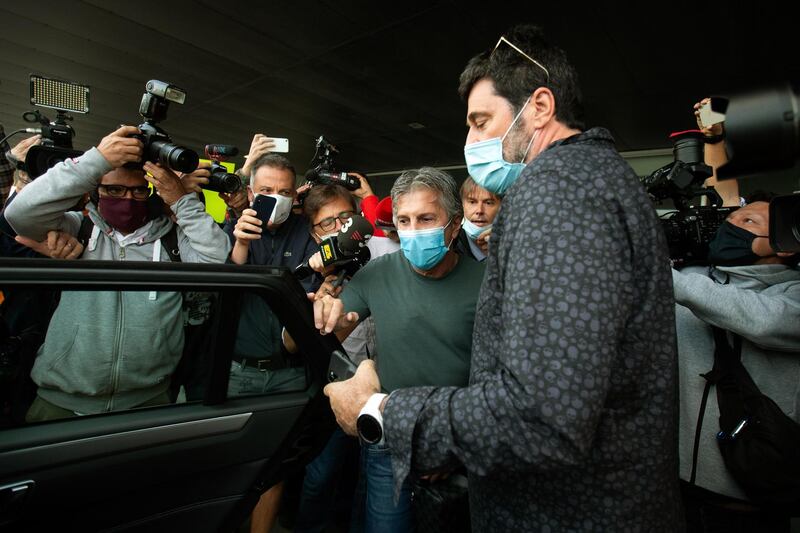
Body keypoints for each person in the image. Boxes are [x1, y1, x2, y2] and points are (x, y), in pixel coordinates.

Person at [321, 24, 681, 531]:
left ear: (539, 107)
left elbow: (543, 419)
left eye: (481, 121)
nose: (470, 140)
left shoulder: (558, 190)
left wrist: (381, 409)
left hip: (569, 512)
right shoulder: (596, 179)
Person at [4, 125, 231, 422]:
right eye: (113, 190)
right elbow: (18, 214)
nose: (127, 199)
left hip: (150, 401)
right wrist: (96, 159)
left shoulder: (172, 240)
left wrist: (180, 199)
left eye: (138, 191)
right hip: (60, 403)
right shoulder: (76, 230)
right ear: (95, 192)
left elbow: (217, 259)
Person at [312, 167, 485, 532]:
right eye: (403, 221)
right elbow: (335, 329)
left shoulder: (485, 284)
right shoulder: (376, 273)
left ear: (454, 225)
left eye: (426, 219)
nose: (413, 230)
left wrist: (453, 447)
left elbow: (494, 378)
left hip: (452, 437)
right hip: (386, 437)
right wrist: (327, 310)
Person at [676, 197, 800, 532]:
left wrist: (666, 276)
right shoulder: (692, 279)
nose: (730, 226)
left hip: (751, 499)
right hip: (677, 492)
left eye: (748, 222)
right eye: (729, 218)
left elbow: (762, 320)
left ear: (785, 245)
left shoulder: (794, 295)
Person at [456, 176, 501, 261]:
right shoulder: (450, 245)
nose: (479, 210)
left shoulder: (515, 242)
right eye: (472, 202)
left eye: (488, 203)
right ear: (462, 205)